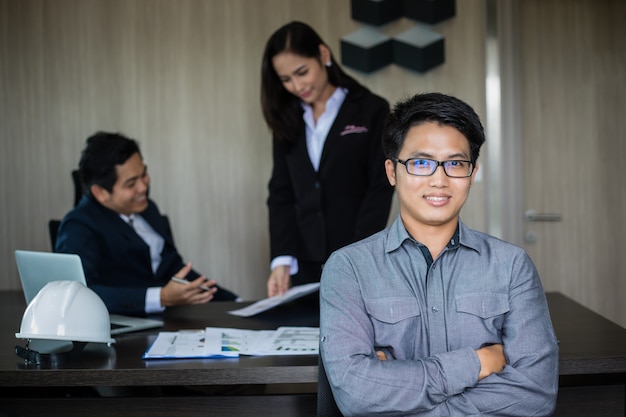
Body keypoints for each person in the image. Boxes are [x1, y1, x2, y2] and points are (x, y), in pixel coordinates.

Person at [320, 93, 559, 416]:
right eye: (421, 162)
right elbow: (355, 393)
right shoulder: (349, 268)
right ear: (392, 172)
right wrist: (478, 362)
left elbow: (536, 394)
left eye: (456, 164)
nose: (439, 179)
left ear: (472, 174)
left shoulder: (511, 265)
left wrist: (396, 388)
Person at [261, 21, 394, 297]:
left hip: (355, 257)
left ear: (323, 55)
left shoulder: (371, 110)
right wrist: (281, 260)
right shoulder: (287, 118)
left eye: (302, 72)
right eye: (285, 80)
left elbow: (380, 188)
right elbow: (281, 192)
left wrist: (358, 256)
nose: (297, 86)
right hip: (304, 259)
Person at [56, 132, 238, 316]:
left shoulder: (148, 209)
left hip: (171, 319)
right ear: (101, 192)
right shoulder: (78, 226)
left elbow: (174, 269)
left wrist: (236, 303)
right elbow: (81, 293)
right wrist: (160, 297)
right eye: (131, 183)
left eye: (144, 174)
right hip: (125, 328)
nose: (143, 187)